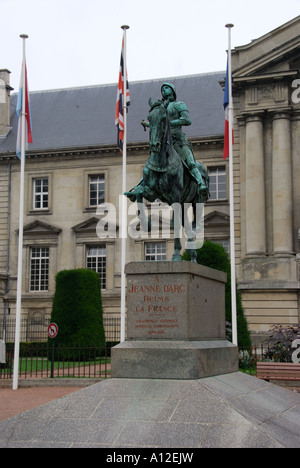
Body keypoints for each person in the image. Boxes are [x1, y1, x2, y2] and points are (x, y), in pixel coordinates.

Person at [142, 82, 206, 191]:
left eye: (166, 88)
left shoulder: (179, 104)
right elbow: (157, 123)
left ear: (173, 90)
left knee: (190, 162)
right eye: (162, 89)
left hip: (179, 141)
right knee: (151, 165)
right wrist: (147, 124)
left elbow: (187, 120)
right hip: (164, 143)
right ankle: (143, 184)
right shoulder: (160, 108)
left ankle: (200, 183)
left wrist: (168, 123)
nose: (163, 90)